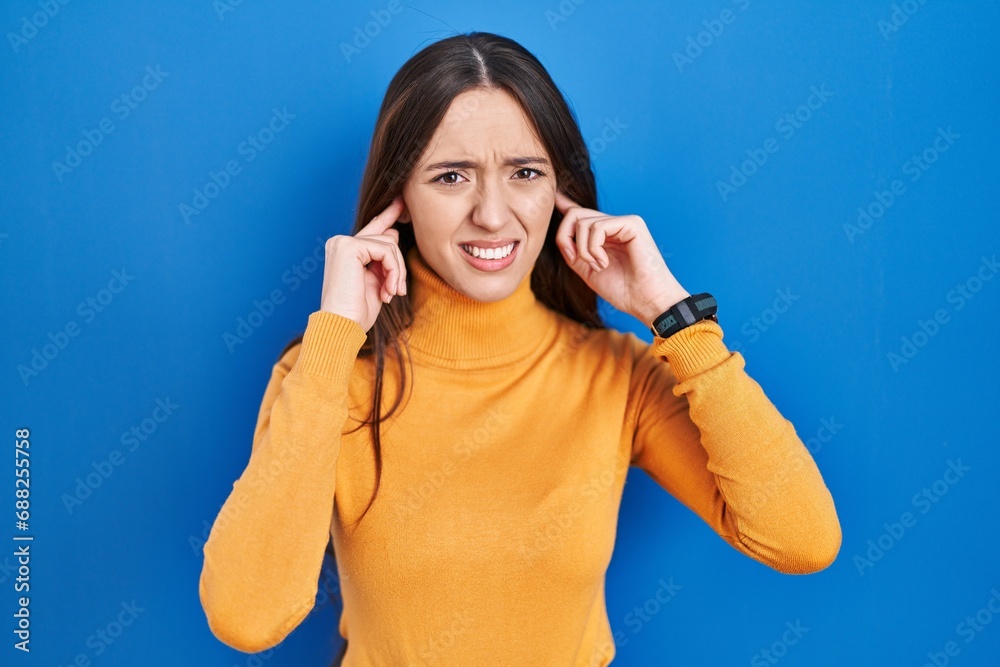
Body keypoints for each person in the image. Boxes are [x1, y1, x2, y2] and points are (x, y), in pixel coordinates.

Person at [198, 31, 841, 666]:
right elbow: (246, 618)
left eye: (525, 173)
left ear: (560, 189)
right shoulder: (328, 377)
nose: (493, 215)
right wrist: (335, 339)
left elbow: (801, 540)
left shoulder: (618, 377)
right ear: (399, 202)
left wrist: (675, 318)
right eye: (451, 176)